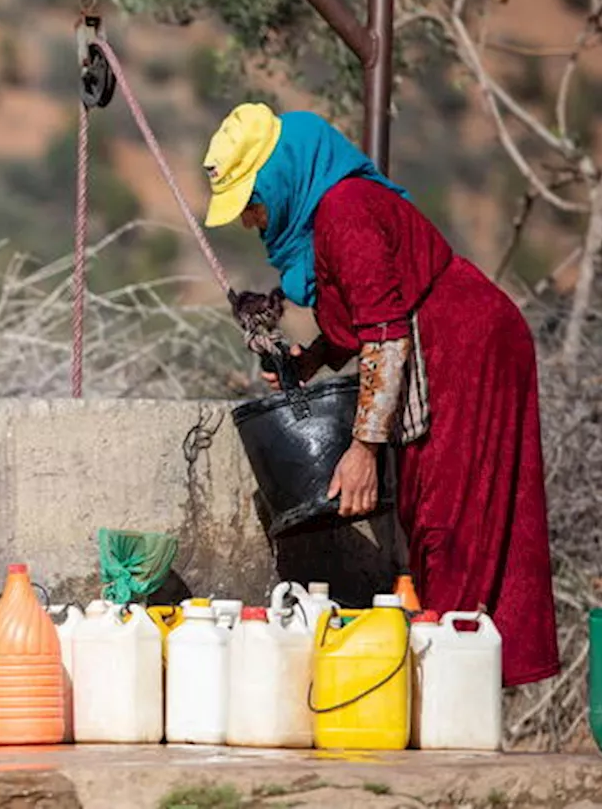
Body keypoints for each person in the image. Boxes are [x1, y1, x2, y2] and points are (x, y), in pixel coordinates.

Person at [202, 103, 560, 688]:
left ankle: (451, 689)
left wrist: (363, 448)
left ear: (279, 178)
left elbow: (388, 331)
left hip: (466, 351)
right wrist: (314, 358)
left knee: (452, 521)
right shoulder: (327, 218)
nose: (251, 222)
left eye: (252, 203)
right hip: (439, 351)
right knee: (428, 518)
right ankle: (449, 691)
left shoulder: (345, 211)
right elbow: (369, 316)